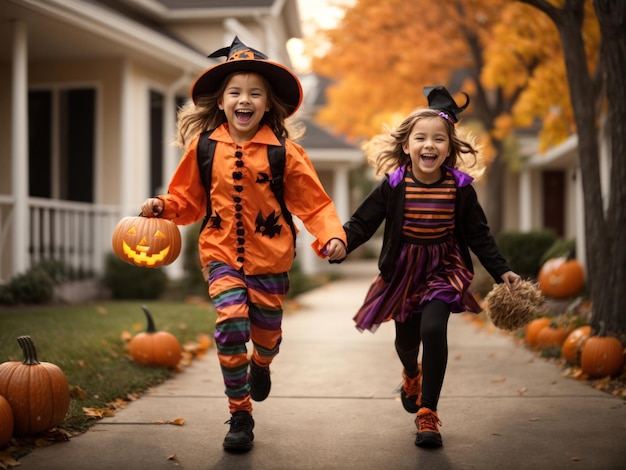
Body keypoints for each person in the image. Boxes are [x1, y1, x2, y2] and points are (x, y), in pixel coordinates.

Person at [140, 36, 347, 452]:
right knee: (231, 325)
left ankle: (262, 363)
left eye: (255, 93)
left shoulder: (285, 153)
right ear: (221, 102)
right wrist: (162, 207)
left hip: (270, 260)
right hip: (221, 255)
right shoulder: (204, 147)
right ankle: (240, 413)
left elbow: (315, 204)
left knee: (266, 335)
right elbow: (188, 201)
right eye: (235, 92)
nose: (244, 99)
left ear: (268, 105)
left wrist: (332, 236)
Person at [336, 86, 520, 448]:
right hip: (404, 271)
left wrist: (503, 271)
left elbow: (479, 235)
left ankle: (428, 414)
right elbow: (362, 222)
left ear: (449, 148)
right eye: (421, 138)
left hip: (443, 268)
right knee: (406, 341)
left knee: (434, 330)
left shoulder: (460, 188)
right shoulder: (394, 184)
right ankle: (410, 373)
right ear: (407, 146)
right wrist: (342, 242)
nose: (429, 144)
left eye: (438, 138)